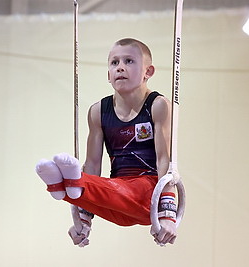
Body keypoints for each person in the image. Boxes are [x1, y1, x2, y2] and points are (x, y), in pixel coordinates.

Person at [36, 38, 179, 246]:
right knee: (100, 185)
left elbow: (165, 160)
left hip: (148, 196)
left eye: (129, 61)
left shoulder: (158, 106)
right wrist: (83, 219)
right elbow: (93, 164)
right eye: (114, 63)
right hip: (117, 199)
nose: (120, 67)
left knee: (107, 187)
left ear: (148, 72)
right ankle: (63, 187)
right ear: (108, 75)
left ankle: (68, 183)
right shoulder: (98, 112)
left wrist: (168, 215)